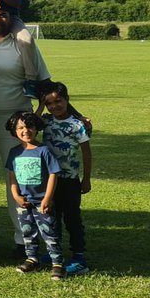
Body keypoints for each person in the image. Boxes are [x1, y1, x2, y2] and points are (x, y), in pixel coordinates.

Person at [0, 0, 52, 255]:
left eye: (3, 16)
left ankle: (24, 238)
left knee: (20, 182)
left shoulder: (23, 45)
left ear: (11, 18)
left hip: (16, 123)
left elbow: (46, 84)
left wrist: (72, 115)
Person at [40, 82, 93, 275]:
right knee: (51, 217)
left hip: (70, 180)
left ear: (67, 100)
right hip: (49, 181)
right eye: (49, 103)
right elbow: (30, 123)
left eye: (58, 101)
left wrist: (86, 179)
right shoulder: (46, 121)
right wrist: (39, 105)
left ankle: (79, 257)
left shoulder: (77, 125)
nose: (54, 106)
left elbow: (86, 153)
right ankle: (55, 252)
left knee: (72, 218)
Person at [5, 112, 64, 279]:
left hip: (42, 202)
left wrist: (47, 198)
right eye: (20, 127)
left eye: (29, 126)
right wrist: (15, 195)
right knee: (27, 232)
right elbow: (12, 176)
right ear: (14, 130)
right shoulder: (14, 152)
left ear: (37, 128)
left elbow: (53, 174)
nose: (26, 130)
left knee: (49, 232)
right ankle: (32, 259)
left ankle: (58, 263)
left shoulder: (44, 150)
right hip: (23, 202)